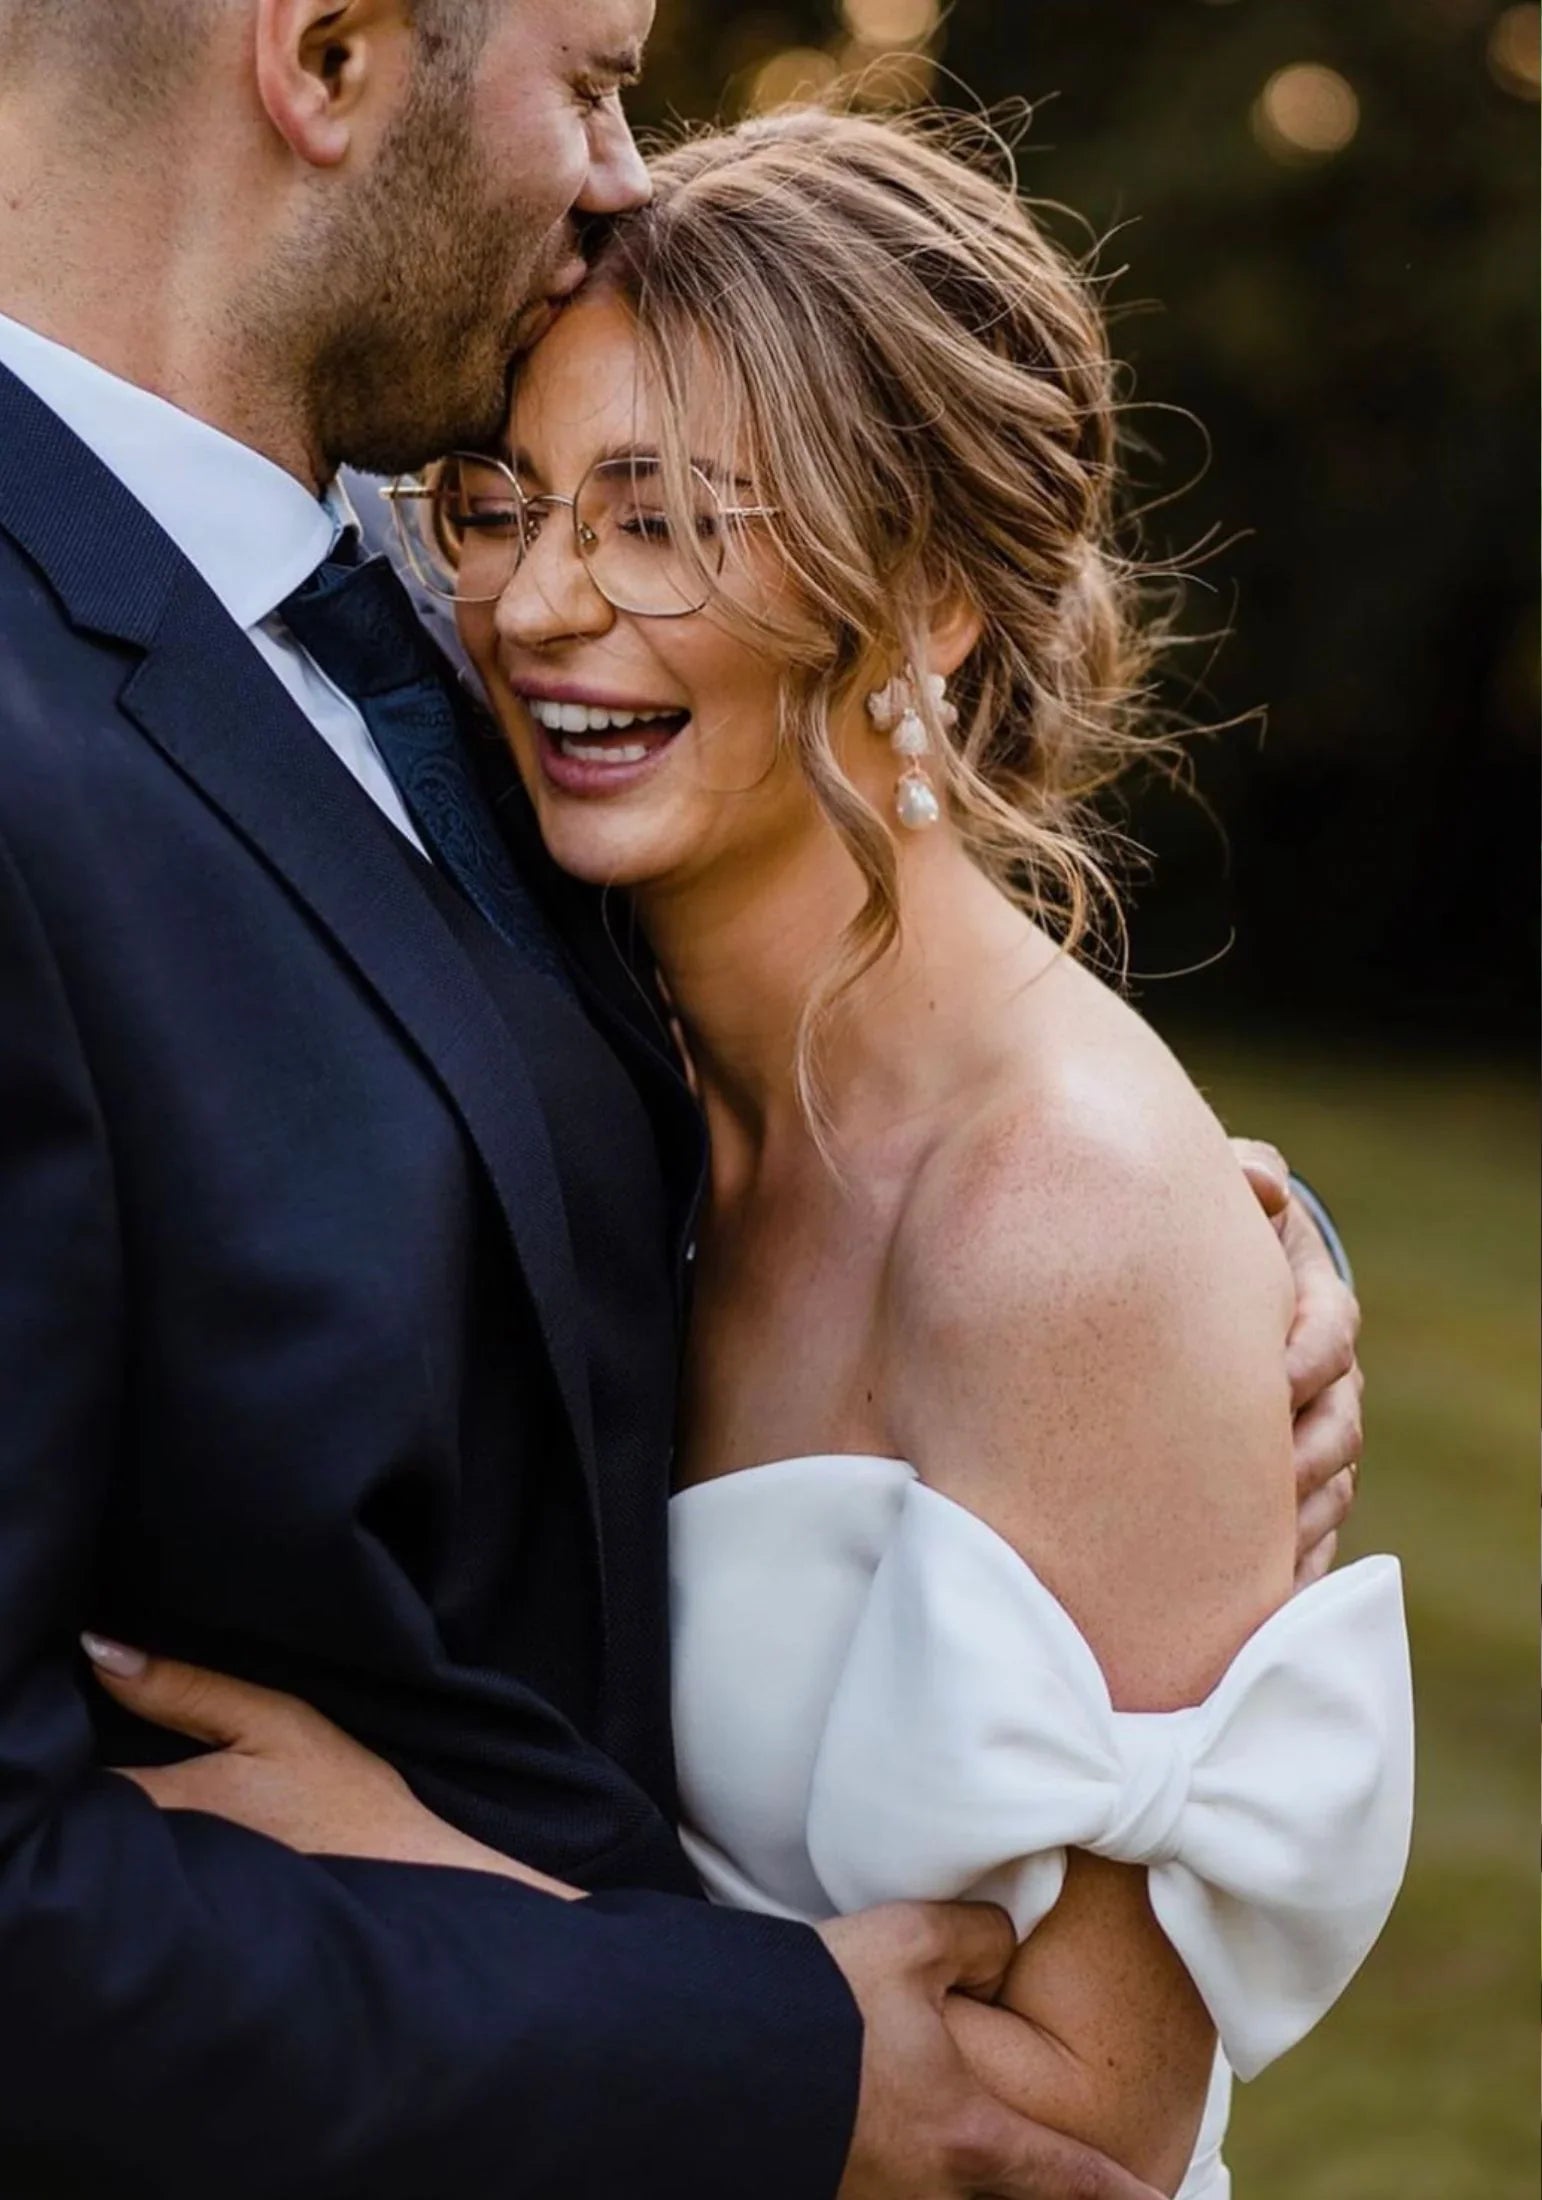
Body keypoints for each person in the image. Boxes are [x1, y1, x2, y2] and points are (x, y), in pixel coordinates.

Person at [78, 106, 1397, 2200]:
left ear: (942, 598)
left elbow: (1077, 2141)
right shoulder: (589, 1028)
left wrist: (424, 1877)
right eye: (504, 508)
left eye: (668, 520)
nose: (536, 609)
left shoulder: (1063, 1213)